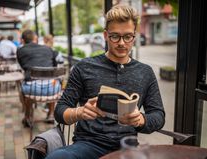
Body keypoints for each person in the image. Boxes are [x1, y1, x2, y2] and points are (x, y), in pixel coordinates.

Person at [46, 4, 165, 159]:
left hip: (126, 148)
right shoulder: (84, 67)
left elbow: (158, 115)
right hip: (87, 145)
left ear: (134, 36)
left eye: (128, 36)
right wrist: (78, 112)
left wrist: (140, 119)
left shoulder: (145, 72)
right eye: (115, 36)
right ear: (105, 35)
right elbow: (60, 110)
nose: (122, 43)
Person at [17, 30, 61, 124]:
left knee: (23, 89)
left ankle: (28, 116)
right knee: (51, 81)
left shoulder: (20, 51)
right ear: (36, 39)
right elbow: (54, 67)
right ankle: (51, 114)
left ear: (23, 41)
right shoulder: (48, 49)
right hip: (53, 89)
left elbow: (23, 67)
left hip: (32, 90)